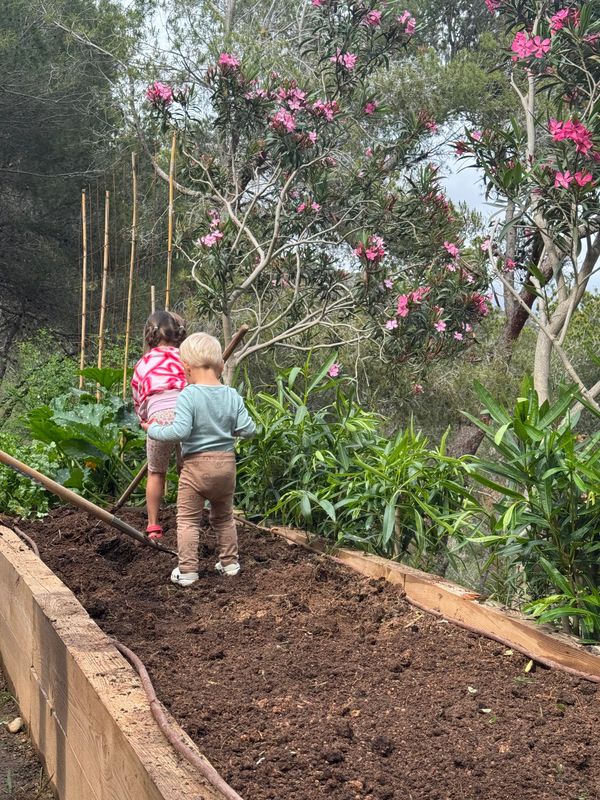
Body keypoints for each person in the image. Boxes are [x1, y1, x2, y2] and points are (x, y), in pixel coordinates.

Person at [142, 332, 256, 586]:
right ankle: (229, 564)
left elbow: (179, 431)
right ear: (220, 365)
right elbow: (249, 429)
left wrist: (153, 429)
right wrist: (226, 428)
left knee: (188, 520)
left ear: (186, 368)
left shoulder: (188, 395)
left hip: (196, 469)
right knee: (224, 517)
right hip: (226, 467)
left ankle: (189, 571)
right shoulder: (232, 395)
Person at [131, 310, 187, 540]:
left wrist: (144, 420)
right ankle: (187, 519)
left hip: (158, 420)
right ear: (178, 334)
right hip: (187, 415)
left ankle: (153, 526)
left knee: (156, 472)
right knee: (187, 471)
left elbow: (138, 396)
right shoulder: (187, 357)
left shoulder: (143, 363)